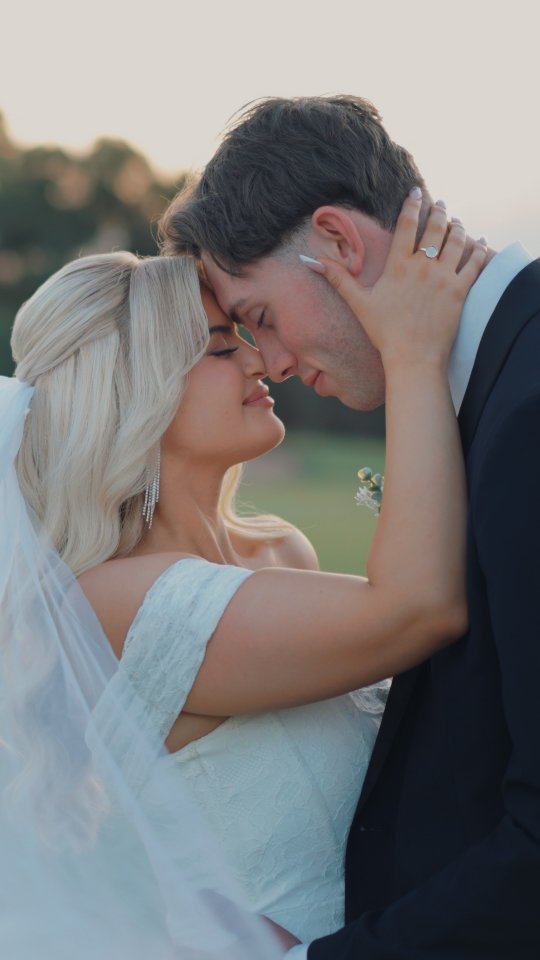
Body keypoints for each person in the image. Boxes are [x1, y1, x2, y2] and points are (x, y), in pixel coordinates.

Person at [0, 195, 485, 958]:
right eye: (223, 349)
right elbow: (418, 608)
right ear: (138, 394)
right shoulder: (117, 604)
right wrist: (413, 354)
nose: (263, 360)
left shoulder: (279, 550)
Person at [160, 95, 540, 959]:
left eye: (258, 318)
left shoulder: (529, 414)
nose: (275, 366)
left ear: (336, 242)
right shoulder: (498, 393)